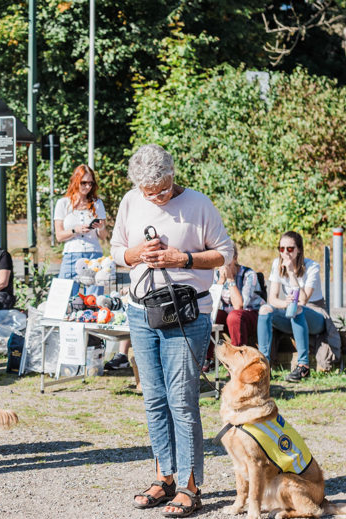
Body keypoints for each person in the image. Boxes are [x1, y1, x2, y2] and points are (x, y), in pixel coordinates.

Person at [110, 144, 233, 517]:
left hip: (186, 313)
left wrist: (184, 258)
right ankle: (164, 476)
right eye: (150, 193)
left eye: (162, 190)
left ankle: (190, 485)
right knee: (154, 398)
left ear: (173, 175)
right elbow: (116, 250)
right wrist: (136, 255)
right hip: (141, 311)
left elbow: (224, 253)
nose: (157, 198)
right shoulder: (131, 201)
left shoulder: (199, 204)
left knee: (181, 400)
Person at [256, 231, 327, 383]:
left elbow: (303, 300)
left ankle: (303, 366)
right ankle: (264, 365)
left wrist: (291, 273)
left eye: (290, 249)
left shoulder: (312, 266)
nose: (285, 253)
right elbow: (272, 299)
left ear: (299, 249)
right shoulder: (277, 263)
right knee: (264, 309)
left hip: (315, 314)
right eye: (282, 249)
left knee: (297, 308)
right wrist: (286, 304)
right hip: (291, 312)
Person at [203, 243, 265, 370]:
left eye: (227, 259)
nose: (223, 265)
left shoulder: (249, 275)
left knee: (234, 316)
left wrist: (230, 280)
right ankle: (207, 359)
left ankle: (236, 361)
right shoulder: (216, 275)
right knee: (210, 314)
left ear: (235, 258)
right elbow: (213, 303)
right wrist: (220, 282)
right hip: (229, 316)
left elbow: (239, 306)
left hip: (250, 315)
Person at [54, 165, 107, 293]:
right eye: (84, 183)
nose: (87, 187)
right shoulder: (63, 203)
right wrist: (75, 230)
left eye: (90, 183)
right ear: (76, 181)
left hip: (94, 254)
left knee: (93, 298)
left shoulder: (97, 203)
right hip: (71, 254)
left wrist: (101, 227)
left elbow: (104, 236)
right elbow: (59, 236)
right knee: (66, 295)